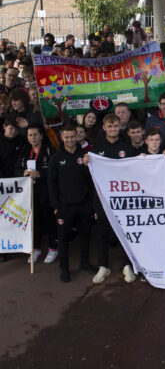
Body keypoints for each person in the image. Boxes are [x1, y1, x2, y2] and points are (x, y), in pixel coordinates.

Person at [89, 113, 137, 286]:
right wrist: (87, 160)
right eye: (109, 126)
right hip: (102, 197)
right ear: (104, 128)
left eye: (116, 126)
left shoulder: (127, 146)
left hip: (122, 198)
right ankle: (103, 266)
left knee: (125, 231)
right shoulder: (96, 148)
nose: (113, 129)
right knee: (102, 232)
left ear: (120, 127)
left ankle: (127, 264)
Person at [47, 122, 97, 283]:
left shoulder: (85, 156)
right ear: (61, 137)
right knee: (63, 238)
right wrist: (55, 206)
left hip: (83, 205)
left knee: (85, 236)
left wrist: (91, 204)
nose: (69, 140)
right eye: (66, 137)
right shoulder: (56, 158)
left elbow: (92, 181)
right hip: (64, 207)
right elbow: (51, 184)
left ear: (77, 137)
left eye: (72, 137)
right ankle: (65, 267)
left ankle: (84, 262)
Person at [19, 123, 57, 264]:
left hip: (45, 191)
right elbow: (18, 166)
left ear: (41, 135)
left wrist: (41, 174)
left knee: (48, 219)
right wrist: (23, 172)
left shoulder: (49, 149)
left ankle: (53, 248)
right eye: (30, 135)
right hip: (30, 191)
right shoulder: (25, 150)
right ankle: (35, 248)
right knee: (34, 220)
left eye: (35, 134)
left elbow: (55, 170)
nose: (33, 137)